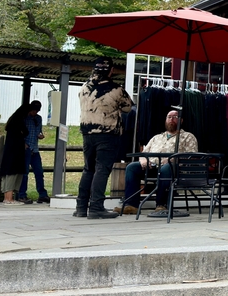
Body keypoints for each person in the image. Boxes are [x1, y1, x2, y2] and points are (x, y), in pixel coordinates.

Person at [77, 59, 134, 219]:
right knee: (102, 169)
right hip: (107, 133)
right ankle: (96, 207)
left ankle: (81, 207)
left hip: (87, 133)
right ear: (111, 70)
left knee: (88, 169)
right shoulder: (116, 89)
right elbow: (128, 107)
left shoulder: (83, 88)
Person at [115, 110, 198, 217]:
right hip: (152, 168)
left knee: (166, 168)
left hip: (174, 170)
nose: (171, 119)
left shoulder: (188, 136)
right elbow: (144, 153)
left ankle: (161, 204)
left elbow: (191, 156)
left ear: (181, 120)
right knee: (132, 167)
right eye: (169, 117)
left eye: (175, 117)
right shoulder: (157, 137)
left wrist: (172, 159)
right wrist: (143, 160)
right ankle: (131, 205)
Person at [16, 100, 49, 204]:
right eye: (34, 110)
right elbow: (19, 132)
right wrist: (23, 143)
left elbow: (39, 130)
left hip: (35, 148)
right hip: (27, 148)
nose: (35, 112)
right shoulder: (25, 118)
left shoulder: (38, 119)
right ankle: (22, 194)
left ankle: (42, 194)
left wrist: (40, 135)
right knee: (25, 173)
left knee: (39, 172)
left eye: (37, 110)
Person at [0, 104, 30, 205]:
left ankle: (6, 198)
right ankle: (10, 199)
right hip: (15, 152)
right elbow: (25, 132)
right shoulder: (19, 122)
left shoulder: (12, 120)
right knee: (13, 172)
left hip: (9, 151)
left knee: (7, 173)